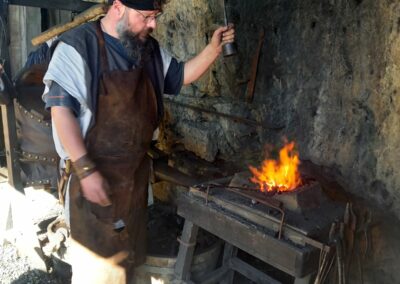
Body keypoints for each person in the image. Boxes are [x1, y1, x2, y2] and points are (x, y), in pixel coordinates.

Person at [42, 0, 235, 282]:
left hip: (133, 180)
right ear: (118, 7)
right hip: (94, 181)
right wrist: (85, 169)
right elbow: (60, 110)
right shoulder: (77, 46)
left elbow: (180, 77)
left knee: (130, 261)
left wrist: (213, 49)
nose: (153, 25)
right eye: (146, 17)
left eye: (156, 16)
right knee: (98, 270)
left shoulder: (148, 49)